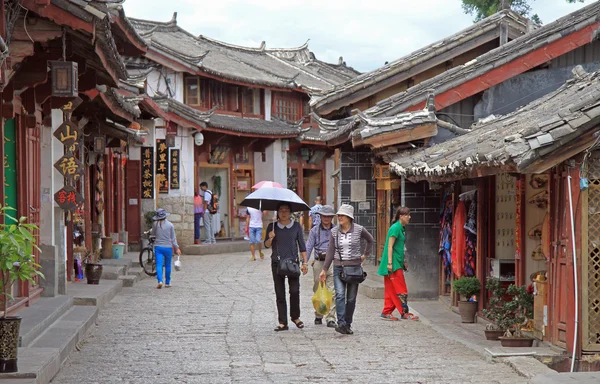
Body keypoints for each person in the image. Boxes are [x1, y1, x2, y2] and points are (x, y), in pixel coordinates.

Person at [321, 204, 374, 335]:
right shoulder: (334, 232)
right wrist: (324, 269)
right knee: (339, 295)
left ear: (349, 217)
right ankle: (341, 323)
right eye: (339, 215)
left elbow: (370, 240)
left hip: (354, 268)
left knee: (351, 298)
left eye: (342, 215)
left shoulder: (359, 229)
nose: (339, 217)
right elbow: (330, 251)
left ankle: (348, 323)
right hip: (339, 267)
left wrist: (365, 255)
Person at [265, 203, 308, 332]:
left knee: (294, 291)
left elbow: (302, 245)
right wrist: (270, 238)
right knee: (280, 293)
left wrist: (304, 262)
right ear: (277, 212)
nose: (283, 212)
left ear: (290, 212)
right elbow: (266, 245)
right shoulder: (272, 227)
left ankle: (295, 317)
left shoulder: (296, 226)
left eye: (286, 210)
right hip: (277, 263)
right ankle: (282, 322)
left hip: (293, 263)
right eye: (281, 210)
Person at [378, 207, 419, 321]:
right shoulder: (395, 228)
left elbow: (400, 247)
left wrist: (403, 262)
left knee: (390, 289)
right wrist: (390, 263)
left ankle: (386, 312)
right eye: (408, 215)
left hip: (396, 261)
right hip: (393, 263)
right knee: (401, 288)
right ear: (401, 216)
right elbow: (390, 246)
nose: (409, 217)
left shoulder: (401, 228)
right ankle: (404, 313)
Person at [305, 205, 337, 327]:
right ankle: (318, 314)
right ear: (320, 216)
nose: (326, 218)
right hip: (319, 262)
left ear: (332, 218)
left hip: (332, 263)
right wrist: (305, 262)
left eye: (328, 216)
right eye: (324, 216)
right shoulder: (314, 230)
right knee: (318, 288)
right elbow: (308, 247)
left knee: (332, 291)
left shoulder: (335, 230)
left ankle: (331, 318)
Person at [150, 208, 181, 289]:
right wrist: (177, 248)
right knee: (168, 265)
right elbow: (173, 238)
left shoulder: (155, 224)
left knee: (159, 265)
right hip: (168, 248)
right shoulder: (170, 225)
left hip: (158, 247)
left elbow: (153, 234)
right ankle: (167, 282)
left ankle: (160, 281)